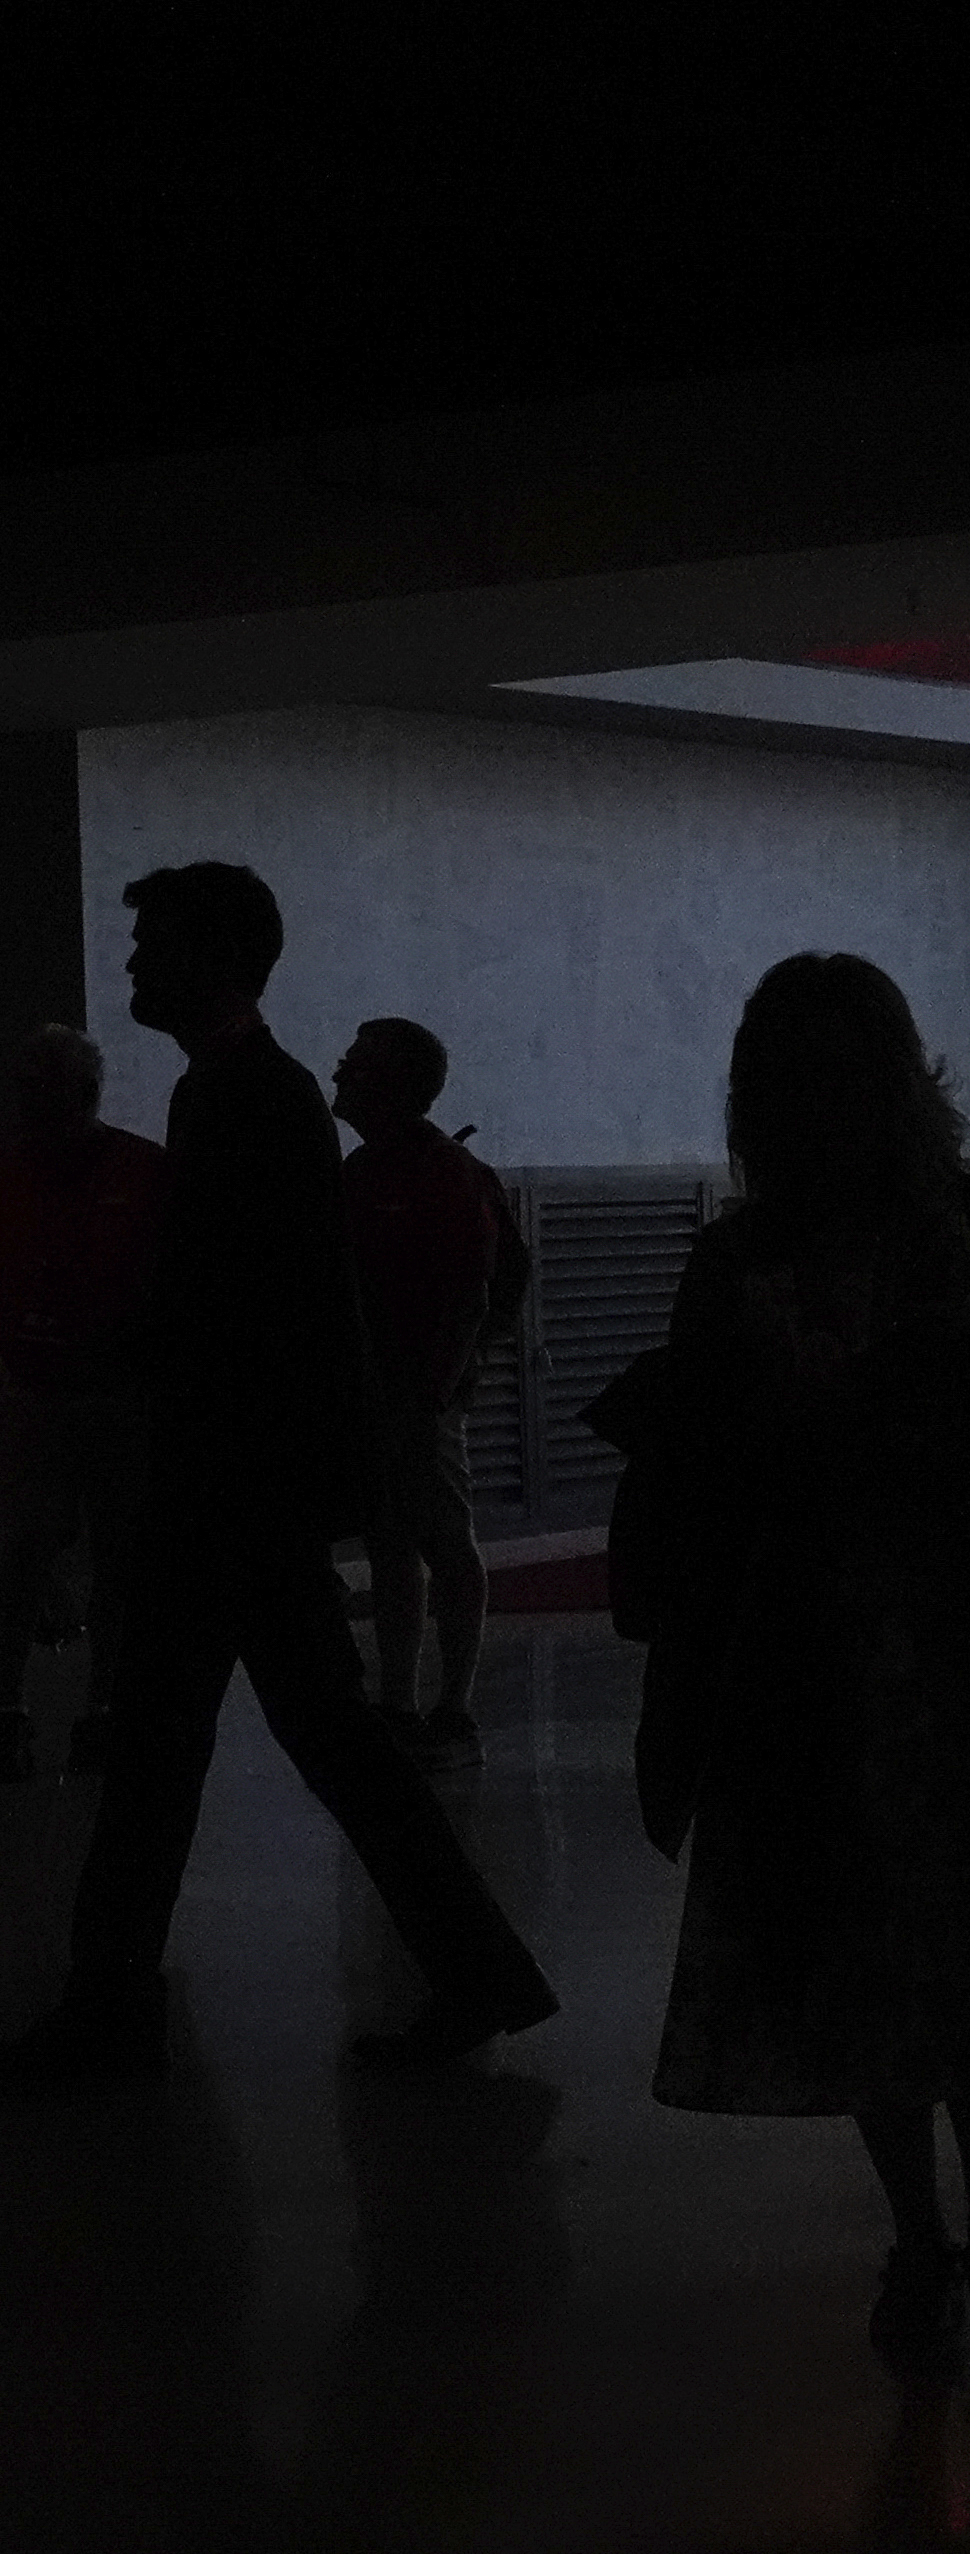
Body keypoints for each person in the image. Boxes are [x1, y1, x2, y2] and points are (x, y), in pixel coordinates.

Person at [1, 864, 556, 2082]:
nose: (134, 963)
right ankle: (476, 1974)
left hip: (224, 1490)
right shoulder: (255, 1094)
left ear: (210, 955)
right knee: (296, 1742)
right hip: (244, 1490)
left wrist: (97, 1359)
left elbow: (228, 1305)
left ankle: (114, 2006)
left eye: (151, 943)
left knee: (178, 1751)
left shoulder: (240, 1100)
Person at [630, 956, 970, 2360]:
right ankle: (956, 2229)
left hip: (885, 1630)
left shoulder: (755, 1255)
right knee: (916, 1927)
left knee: (927, 1929)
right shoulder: (952, 1229)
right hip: (878, 1634)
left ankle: (955, 2233)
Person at [332, 1017, 520, 1771]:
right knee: (389, 1545)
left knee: (443, 1541)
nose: (340, 1069)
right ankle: (401, 1701)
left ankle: (453, 1706)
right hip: (380, 1397)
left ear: (394, 1083)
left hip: (419, 1398)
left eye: (357, 1061)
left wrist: (434, 1396)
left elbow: (470, 1297)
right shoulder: (359, 1172)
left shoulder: (444, 1174)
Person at [0, 1024, 162, 1784]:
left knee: (99, 1559)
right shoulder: (134, 1169)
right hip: (47, 1393)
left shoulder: (141, 1172)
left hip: (110, 1396)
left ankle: (79, 1708)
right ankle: (85, 1710)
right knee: (38, 1555)